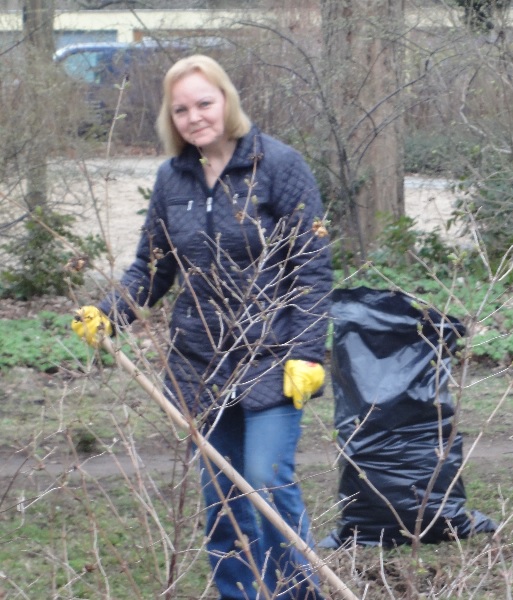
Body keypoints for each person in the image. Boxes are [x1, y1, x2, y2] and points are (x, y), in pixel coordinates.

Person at [71, 54, 332, 599]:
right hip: (200, 364)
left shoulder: (280, 166)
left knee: (265, 479)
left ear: (227, 101)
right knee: (221, 499)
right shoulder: (173, 178)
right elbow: (153, 265)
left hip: (273, 357)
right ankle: (239, 594)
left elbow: (310, 268)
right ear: (172, 118)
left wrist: (308, 351)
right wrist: (109, 313)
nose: (195, 117)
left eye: (204, 103)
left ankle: (297, 592)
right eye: (181, 109)